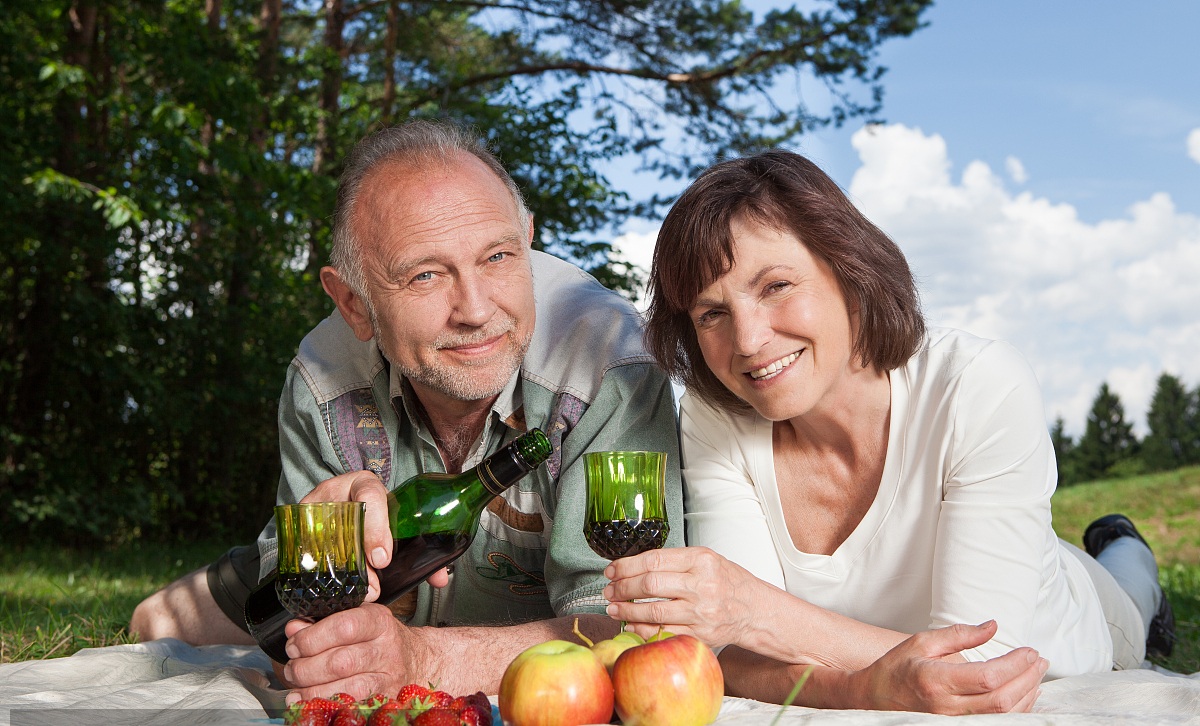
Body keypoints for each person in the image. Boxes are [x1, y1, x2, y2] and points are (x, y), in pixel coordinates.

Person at [602, 149, 1175, 714]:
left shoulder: (977, 383)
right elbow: (735, 656)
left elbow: (976, 667)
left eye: (776, 286)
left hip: (1079, 616)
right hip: (949, 600)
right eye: (711, 314)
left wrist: (755, 610)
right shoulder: (716, 414)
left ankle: (1126, 546)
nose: (748, 341)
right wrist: (859, 688)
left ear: (849, 271)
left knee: (1130, 591)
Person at [129, 120, 684, 700]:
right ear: (353, 302)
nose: (474, 309)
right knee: (155, 625)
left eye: (497, 256)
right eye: (425, 274)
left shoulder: (610, 365)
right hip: (369, 572)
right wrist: (322, 578)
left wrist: (420, 658)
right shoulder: (322, 377)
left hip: (503, 621)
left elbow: (627, 630)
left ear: (527, 239)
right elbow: (300, 639)